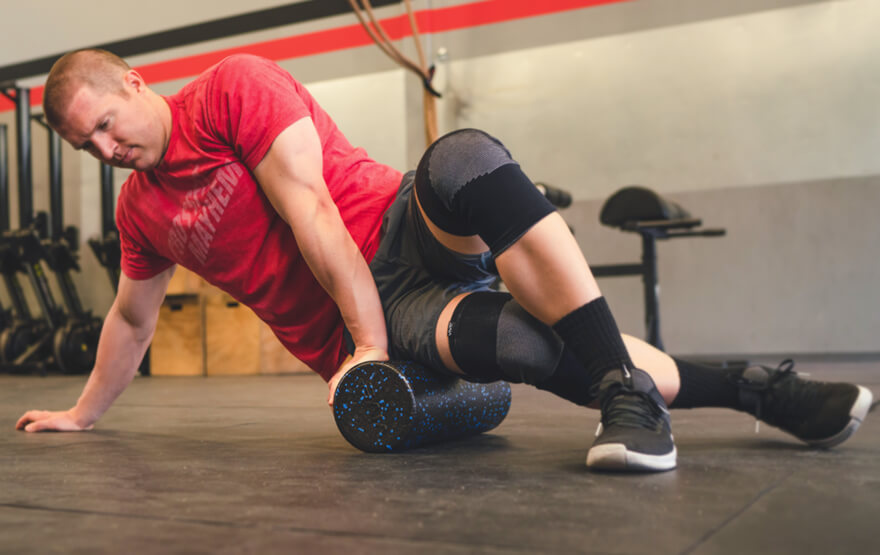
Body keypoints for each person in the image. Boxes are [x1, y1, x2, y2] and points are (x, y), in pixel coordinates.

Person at [15, 49, 872, 473]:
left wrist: (370, 341)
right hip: (382, 334)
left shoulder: (231, 90)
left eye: (103, 123)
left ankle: (626, 398)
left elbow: (313, 212)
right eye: (83, 142)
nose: (103, 147)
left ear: (132, 80)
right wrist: (83, 414)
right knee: (532, 348)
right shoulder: (143, 211)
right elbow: (131, 317)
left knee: (461, 158)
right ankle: (762, 389)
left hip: (393, 233)